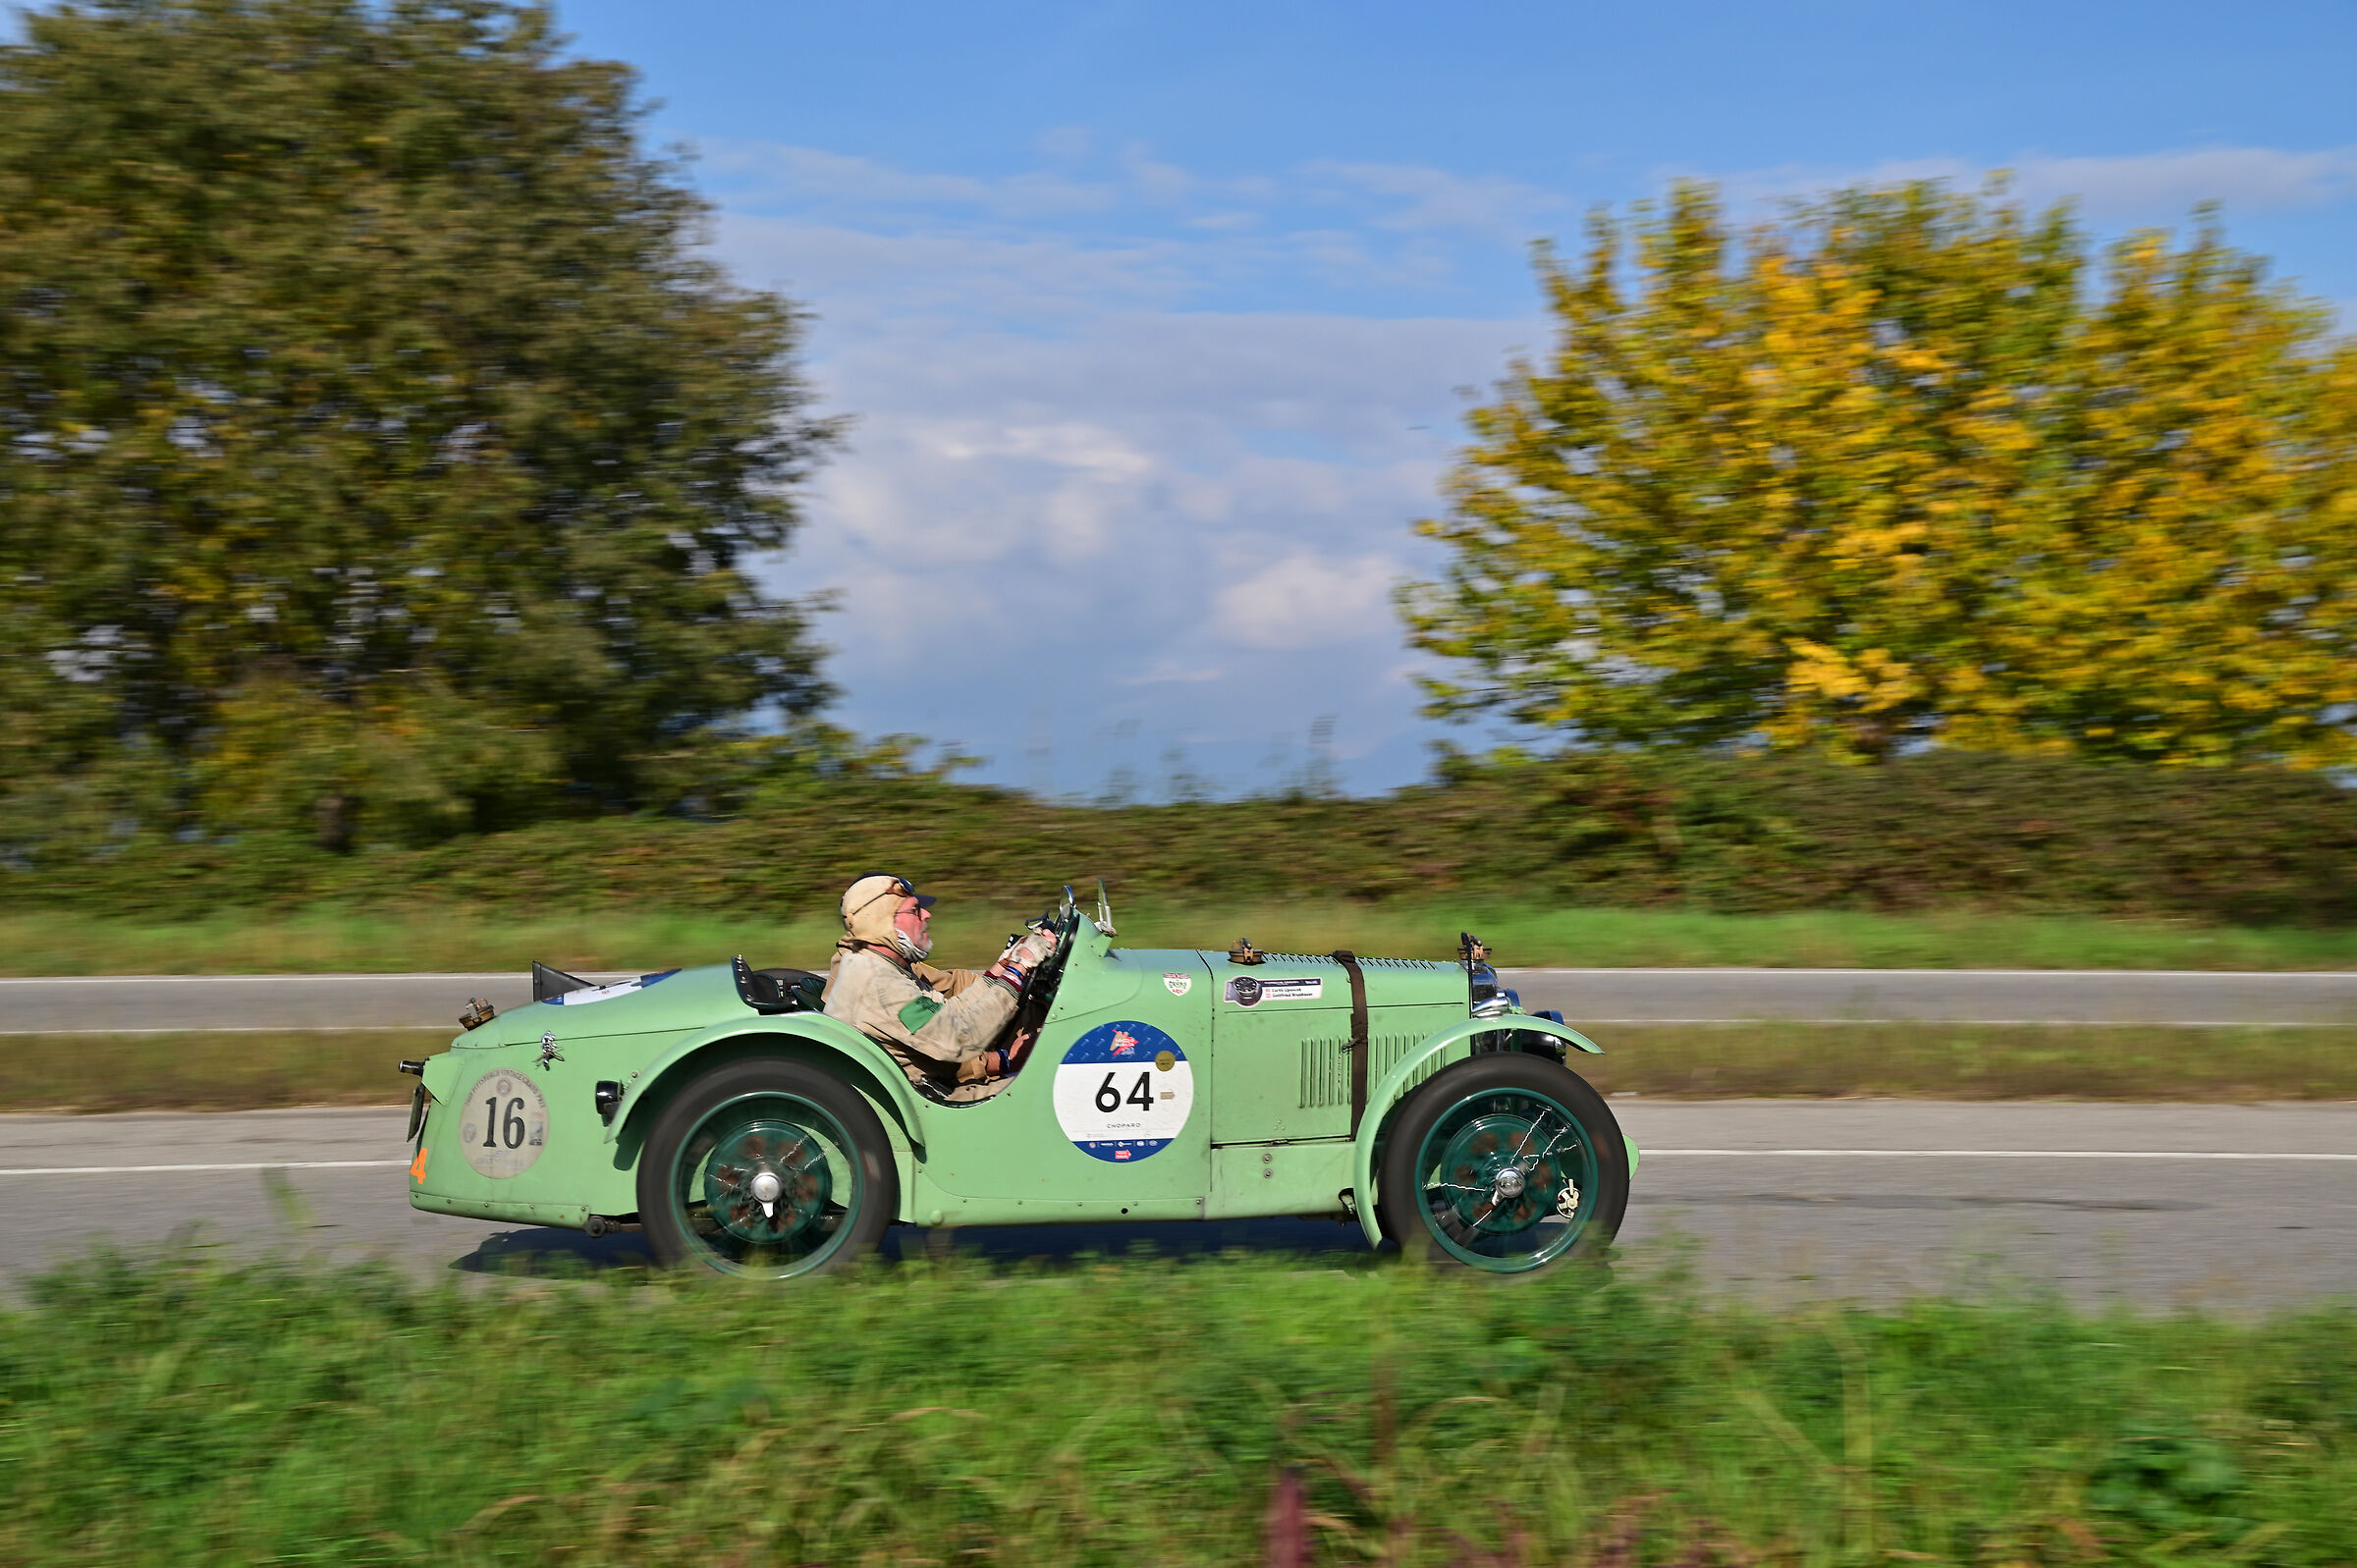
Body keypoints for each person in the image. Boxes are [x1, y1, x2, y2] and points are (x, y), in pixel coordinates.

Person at [823, 874, 1058, 1103]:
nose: (926, 914)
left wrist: (1004, 965)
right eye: (914, 910)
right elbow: (960, 1037)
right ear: (881, 920)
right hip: (938, 1099)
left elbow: (948, 1012)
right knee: (1057, 1084)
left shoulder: (876, 967)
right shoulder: (881, 986)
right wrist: (1019, 968)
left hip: (928, 1091)